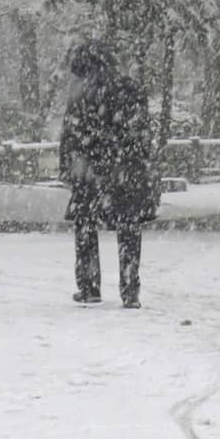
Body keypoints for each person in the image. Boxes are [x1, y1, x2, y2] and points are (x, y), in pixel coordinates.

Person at [59, 40, 157, 308]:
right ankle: (130, 290)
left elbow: (72, 136)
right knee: (129, 230)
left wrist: (72, 168)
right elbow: (142, 134)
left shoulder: (81, 94)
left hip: (91, 173)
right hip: (125, 171)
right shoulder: (130, 89)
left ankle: (90, 286)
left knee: (86, 227)